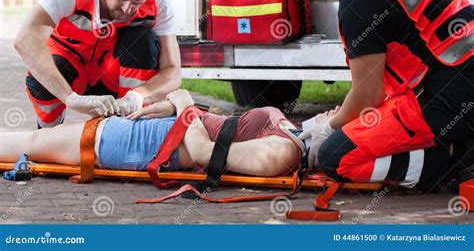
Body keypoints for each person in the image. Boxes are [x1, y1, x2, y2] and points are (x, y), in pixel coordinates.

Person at [288, 0, 473, 191]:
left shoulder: (359, 1)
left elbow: (368, 96)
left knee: (336, 157)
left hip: (450, 98)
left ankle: (451, 163)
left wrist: (331, 127)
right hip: (455, 86)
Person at [14, 0, 182, 128]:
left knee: (144, 40)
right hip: (70, 73)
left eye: (136, 3)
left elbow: (173, 71)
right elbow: (25, 39)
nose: (127, 9)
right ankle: (48, 132)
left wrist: (139, 95)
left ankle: (127, 126)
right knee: (40, 73)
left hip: (113, 78)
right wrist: (70, 99)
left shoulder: (158, 2)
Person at [0, 90, 303, 178]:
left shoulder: (285, 152)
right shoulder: (291, 134)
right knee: (36, 140)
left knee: (33, 142)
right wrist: (174, 105)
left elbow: (202, 152)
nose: (336, 110)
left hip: (152, 145)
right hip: (160, 131)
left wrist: (184, 101)